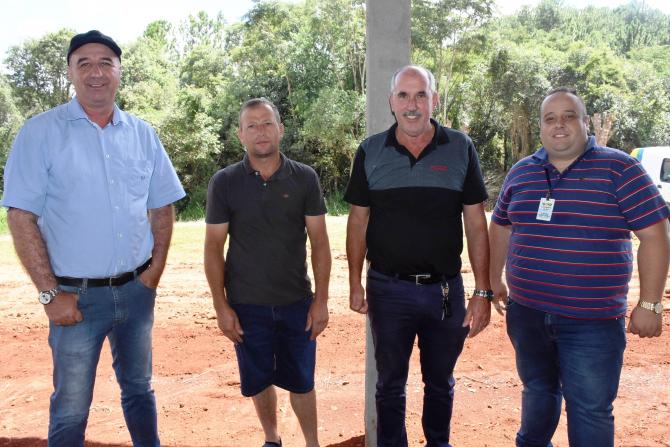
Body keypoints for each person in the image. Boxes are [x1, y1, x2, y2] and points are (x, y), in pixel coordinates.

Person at [1, 30, 185, 446]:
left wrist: (153, 273)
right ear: (70, 72)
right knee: (71, 408)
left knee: (140, 390)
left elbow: (161, 205)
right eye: (83, 63)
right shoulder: (40, 132)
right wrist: (50, 294)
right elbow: (21, 216)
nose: (96, 72)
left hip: (137, 292)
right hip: (74, 299)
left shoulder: (142, 134)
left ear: (119, 71)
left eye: (106, 62)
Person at [489, 87, 670, 447]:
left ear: (586, 122)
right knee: (537, 390)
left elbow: (656, 234)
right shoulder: (522, 171)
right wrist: (494, 279)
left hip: (592, 322)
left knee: (589, 409)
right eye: (550, 118)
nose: (559, 125)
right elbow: (501, 225)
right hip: (526, 314)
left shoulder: (621, 168)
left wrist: (650, 303)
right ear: (541, 126)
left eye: (569, 116)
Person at [345, 65, 493, 447]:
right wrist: (354, 283)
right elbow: (358, 221)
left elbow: (476, 224)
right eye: (404, 96)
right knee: (389, 384)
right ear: (391, 102)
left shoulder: (460, 147)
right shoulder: (370, 151)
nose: (412, 105)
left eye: (421, 95)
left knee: (440, 383)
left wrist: (483, 291)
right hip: (387, 290)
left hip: (444, 291)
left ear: (434, 100)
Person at [204, 98, 331, 447]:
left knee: (302, 381)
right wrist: (221, 306)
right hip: (246, 305)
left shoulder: (304, 178)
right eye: (252, 126)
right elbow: (213, 247)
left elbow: (320, 243)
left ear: (280, 129)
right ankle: (272, 439)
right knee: (258, 380)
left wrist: (321, 301)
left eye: (267, 123)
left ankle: (312, 443)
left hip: (297, 302)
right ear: (240, 135)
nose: (261, 131)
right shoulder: (224, 182)